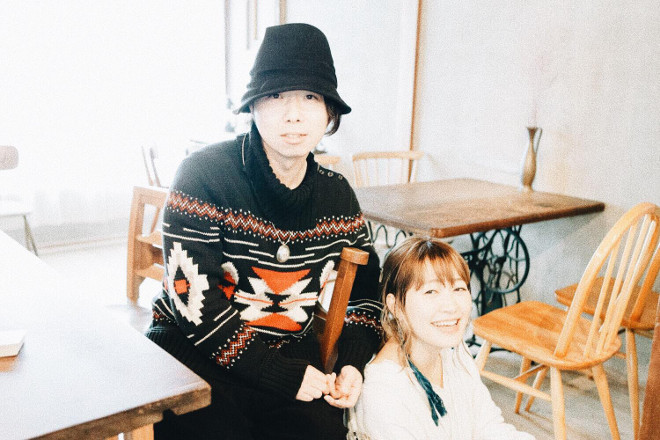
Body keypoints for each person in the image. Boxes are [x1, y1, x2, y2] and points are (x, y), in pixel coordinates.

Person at [145, 23, 382, 440]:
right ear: (253, 106)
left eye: (310, 97)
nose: (294, 114)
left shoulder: (337, 196)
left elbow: (365, 289)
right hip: (193, 350)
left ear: (329, 112)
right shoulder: (203, 177)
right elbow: (194, 305)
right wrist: (277, 373)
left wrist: (353, 362)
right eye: (276, 96)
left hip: (288, 354)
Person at [347, 237, 535, 439]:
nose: (451, 306)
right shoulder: (384, 391)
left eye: (458, 288)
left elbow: (489, 427)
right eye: (431, 291)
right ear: (396, 306)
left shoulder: (455, 355)